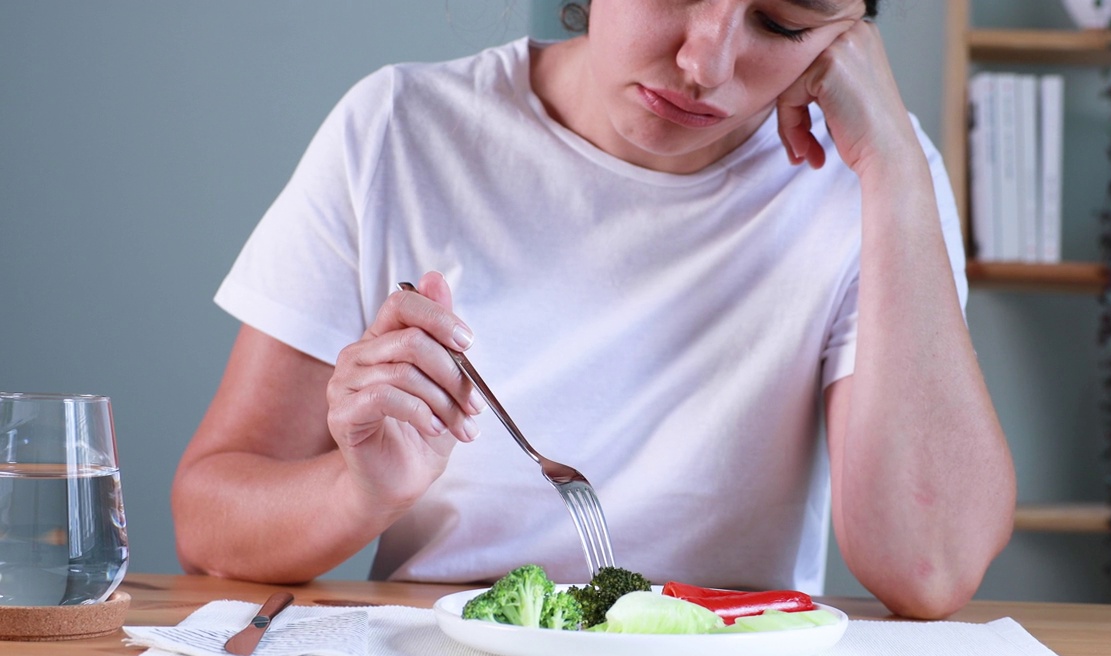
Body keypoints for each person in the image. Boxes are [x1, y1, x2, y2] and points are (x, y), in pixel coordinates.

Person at [173, 0, 1016, 620]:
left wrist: (897, 166)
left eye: (784, 25)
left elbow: (929, 568)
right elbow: (210, 520)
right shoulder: (401, 127)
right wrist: (360, 493)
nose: (706, 62)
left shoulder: (871, 180)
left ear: (847, 38)